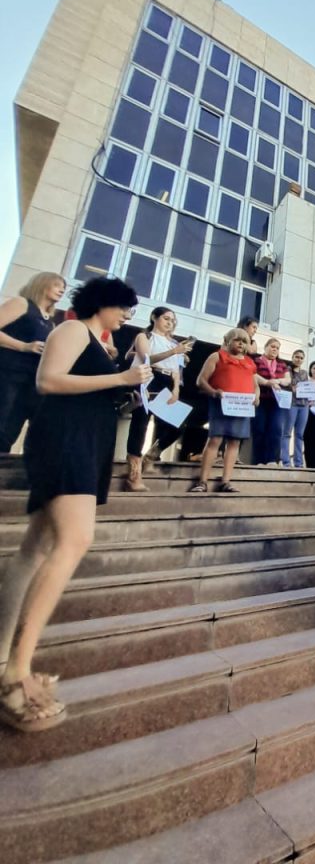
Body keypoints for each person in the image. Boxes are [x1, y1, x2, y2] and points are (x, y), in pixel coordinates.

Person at [0, 277, 150, 732]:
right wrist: (120, 378)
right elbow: (48, 381)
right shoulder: (70, 331)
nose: (126, 316)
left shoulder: (102, 345)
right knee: (74, 540)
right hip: (66, 441)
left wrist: (124, 387)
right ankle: (16, 674)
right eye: (123, 308)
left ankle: (5, 654)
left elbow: (89, 387)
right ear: (104, 304)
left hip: (87, 441)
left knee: (36, 548)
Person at [123, 307, 193, 491]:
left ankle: (153, 453)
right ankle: (134, 474)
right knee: (141, 424)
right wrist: (174, 351)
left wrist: (176, 388)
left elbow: (177, 369)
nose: (170, 322)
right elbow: (147, 358)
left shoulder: (173, 343)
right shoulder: (144, 337)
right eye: (166, 318)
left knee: (179, 423)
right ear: (154, 317)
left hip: (168, 381)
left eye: (173, 320)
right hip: (149, 377)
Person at [0, 272, 66, 453]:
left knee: (11, 431)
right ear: (42, 284)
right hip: (7, 374)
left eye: (63, 288)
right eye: (57, 285)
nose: (61, 290)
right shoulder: (21, 304)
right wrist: (23, 346)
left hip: (30, 382)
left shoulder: (50, 322)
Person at [189, 329, 258, 493]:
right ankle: (202, 481)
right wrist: (214, 392)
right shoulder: (217, 356)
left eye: (244, 341)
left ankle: (225, 481)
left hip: (242, 407)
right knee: (215, 441)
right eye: (237, 340)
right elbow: (201, 381)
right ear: (228, 341)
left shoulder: (249, 362)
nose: (240, 344)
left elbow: (255, 384)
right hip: (221, 405)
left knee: (234, 443)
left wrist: (257, 396)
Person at [251, 337, 291, 465]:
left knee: (276, 429)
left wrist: (277, 381)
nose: (275, 349)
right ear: (266, 347)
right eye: (273, 346)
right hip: (261, 399)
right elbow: (252, 375)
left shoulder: (282, 364)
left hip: (277, 402)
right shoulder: (256, 361)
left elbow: (287, 380)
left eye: (277, 348)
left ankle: (272, 460)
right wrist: (267, 382)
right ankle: (258, 460)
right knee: (259, 429)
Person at [281, 349, 309, 468]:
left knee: (300, 434)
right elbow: (284, 384)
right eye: (297, 357)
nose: (299, 359)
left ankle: (298, 463)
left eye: (301, 358)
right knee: (287, 433)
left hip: (304, 405)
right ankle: (286, 462)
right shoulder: (286, 370)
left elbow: (307, 388)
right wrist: (291, 387)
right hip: (291, 403)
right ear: (292, 357)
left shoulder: (304, 373)